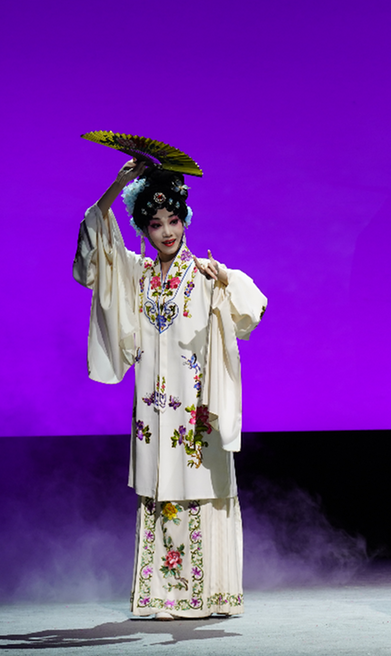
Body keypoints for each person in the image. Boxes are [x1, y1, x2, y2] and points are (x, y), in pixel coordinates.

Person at [73, 159, 267, 619]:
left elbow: (253, 309)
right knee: (160, 490)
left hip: (195, 411)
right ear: (144, 228)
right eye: (156, 224)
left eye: (174, 221)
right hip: (154, 410)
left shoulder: (203, 273)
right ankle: (164, 596)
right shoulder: (136, 275)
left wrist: (225, 279)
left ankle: (209, 595)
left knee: (200, 488)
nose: (166, 232)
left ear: (185, 221)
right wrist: (116, 186)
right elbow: (94, 254)